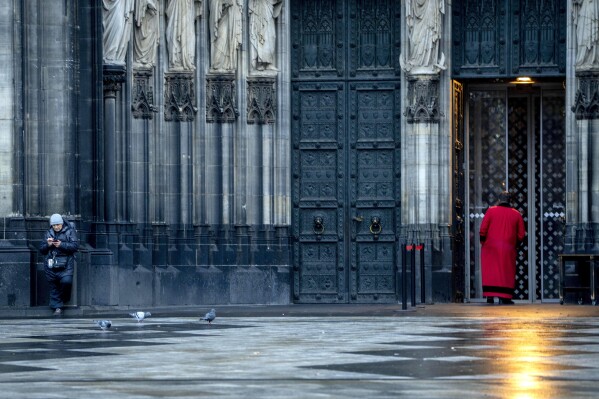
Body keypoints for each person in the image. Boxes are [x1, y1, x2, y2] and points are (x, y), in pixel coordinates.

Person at [479, 191, 526, 305]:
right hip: (508, 248)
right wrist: (515, 245)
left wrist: (483, 242)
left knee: (490, 271)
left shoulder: (491, 211)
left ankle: (490, 296)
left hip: (490, 247)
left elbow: (482, 229)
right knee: (506, 272)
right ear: (510, 201)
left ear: (499, 200)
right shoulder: (516, 214)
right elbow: (521, 234)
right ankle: (505, 297)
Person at [39, 214, 79, 316]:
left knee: (66, 282)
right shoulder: (48, 233)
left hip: (66, 264)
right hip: (51, 264)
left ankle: (63, 299)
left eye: (58, 225)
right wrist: (48, 245)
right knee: (54, 285)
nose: (56, 227)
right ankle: (57, 308)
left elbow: (75, 246)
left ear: (61, 223)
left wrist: (61, 245)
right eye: (54, 225)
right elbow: (42, 250)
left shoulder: (70, 231)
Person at [249, 0, 283, 72]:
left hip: (268, 10)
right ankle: (260, 62)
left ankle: (268, 63)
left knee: (271, 36)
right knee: (262, 36)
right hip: (260, 12)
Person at [209, 0, 243, 71]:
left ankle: (227, 64)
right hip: (222, 19)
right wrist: (223, 3)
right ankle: (217, 64)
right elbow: (213, 4)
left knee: (229, 40)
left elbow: (239, 6)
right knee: (221, 38)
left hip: (232, 17)